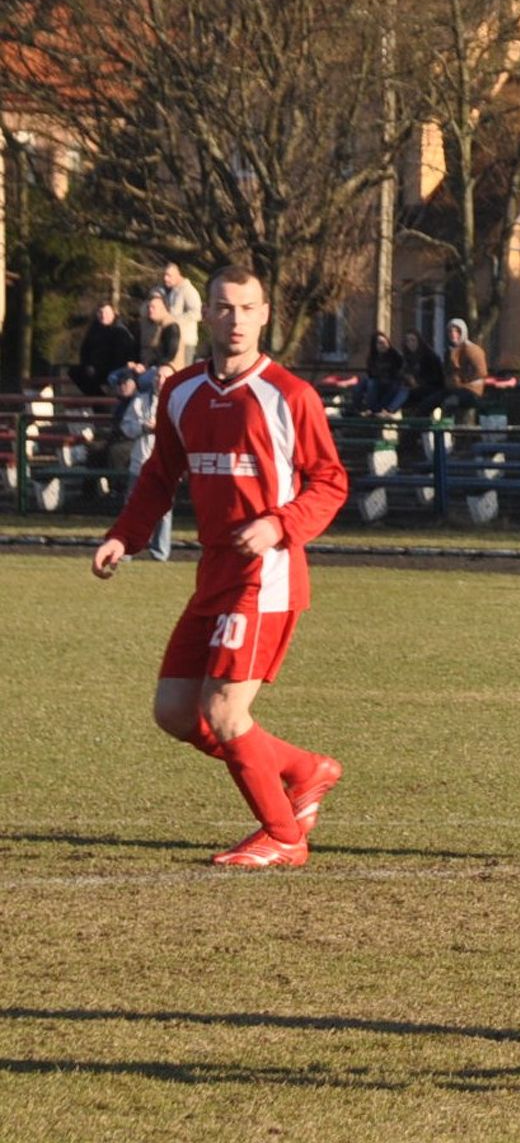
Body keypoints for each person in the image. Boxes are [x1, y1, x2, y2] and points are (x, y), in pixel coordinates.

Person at [91, 264, 349, 868]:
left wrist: (279, 523)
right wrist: (123, 537)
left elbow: (331, 482)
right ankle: (305, 770)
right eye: (225, 308)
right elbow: (159, 476)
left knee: (224, 711)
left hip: (268, 579)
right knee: (176, 712)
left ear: (265, 315)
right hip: (214, 575)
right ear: (206, 314)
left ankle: (284, 837)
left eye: (248, 308)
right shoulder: (181, 392)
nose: (236, 320)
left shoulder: (289, 395)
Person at [117, 362, 176, 561]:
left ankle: (160, 552)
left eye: (165, 377)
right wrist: (143, 427)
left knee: (164, 511)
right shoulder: (140, 402)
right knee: (131, 507)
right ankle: (125, 550)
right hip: (140, 463)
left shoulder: (178, 403)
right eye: (158, 376)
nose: (160, 381)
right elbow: (126, 427)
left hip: (165, 466)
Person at [144, 262, 203, 368]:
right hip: (171, 339)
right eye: (164, 275)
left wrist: (174, 321)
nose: (166, 278)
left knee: (183, 375)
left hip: (186, 342)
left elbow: (197, 313)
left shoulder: (188, 290)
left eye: (169, 275)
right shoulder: (171, 292)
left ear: (178, 275)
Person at [72, 304, 140, 397]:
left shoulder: (121, 332)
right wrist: (88, 365)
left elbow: (121, 357)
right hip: (95, 369)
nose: (103, 315)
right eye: (101, 312)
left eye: (107, 313)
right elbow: (85, 351)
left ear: (114, 314)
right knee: (75, 372)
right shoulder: (93, 331)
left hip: (112, 369)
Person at [442, 319, 488, 421]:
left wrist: (463, 380)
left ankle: (451, 432)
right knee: (431, 400)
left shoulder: (472, 350)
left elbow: (481, 372)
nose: (453, 334)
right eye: (450, 331)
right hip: (453, 389)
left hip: (471, 390)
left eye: (457, 331)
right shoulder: (449, 351)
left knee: (449, 403)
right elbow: (447, 371)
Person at [399, 330, 447, 417]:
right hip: (413, 388)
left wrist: (419, 382)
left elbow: (436, 377)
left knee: (410, 397)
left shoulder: (429, 356)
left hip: (432, 388)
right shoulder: (407, 357)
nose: (410, 343)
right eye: (408, 341)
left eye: (413, 340)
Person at [358, 331, 407, 415]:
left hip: (391, 383)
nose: (383, 345)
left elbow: (399, 371)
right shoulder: (372, 358)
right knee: (367, 383)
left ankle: (379, 410)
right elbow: (371, 373)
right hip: (378, 382)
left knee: (399, 388)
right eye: (379, 343)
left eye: (384, 342)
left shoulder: (395, 355)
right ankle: (362, 408)